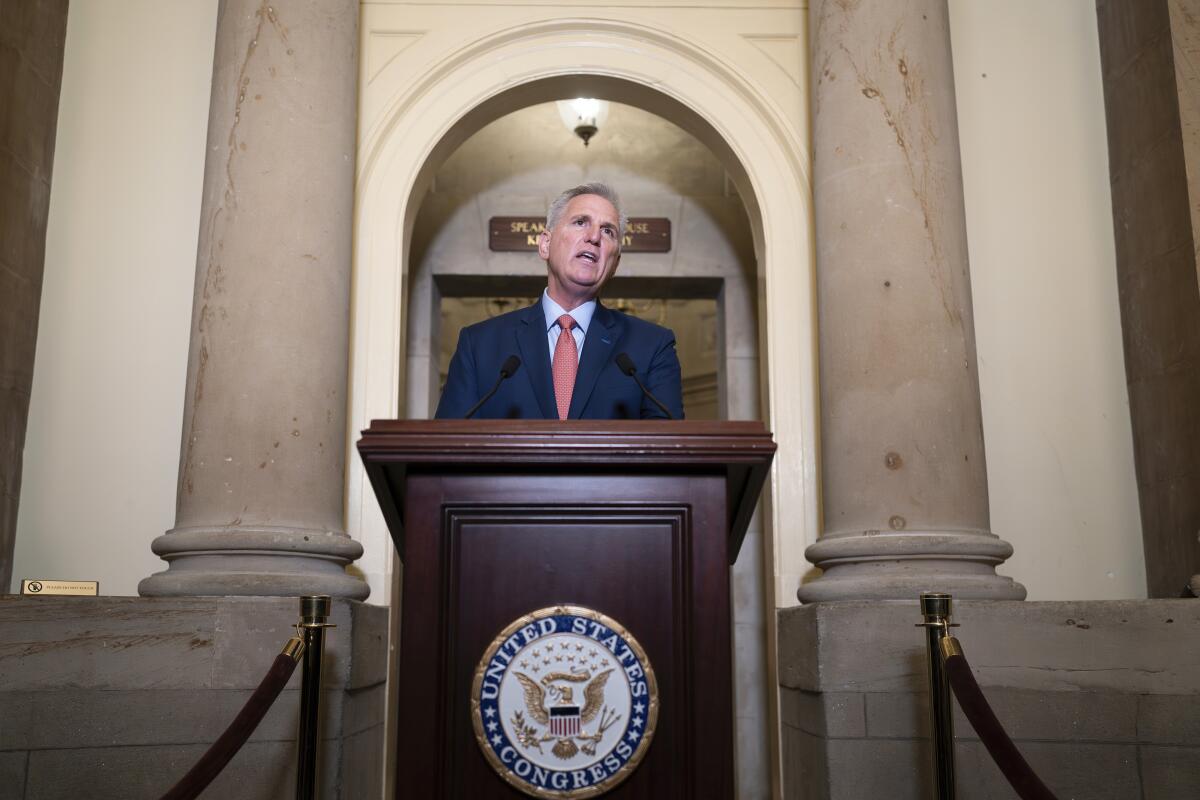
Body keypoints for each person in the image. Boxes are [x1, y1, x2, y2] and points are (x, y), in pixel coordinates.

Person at [434, 182, 684, 420]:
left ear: (615, 263)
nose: (594, 237)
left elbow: (671, 453)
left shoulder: (652, 347)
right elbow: (446, 450)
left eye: (608, 231)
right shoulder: (479, 345)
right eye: (580, 222)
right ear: (545, 244)